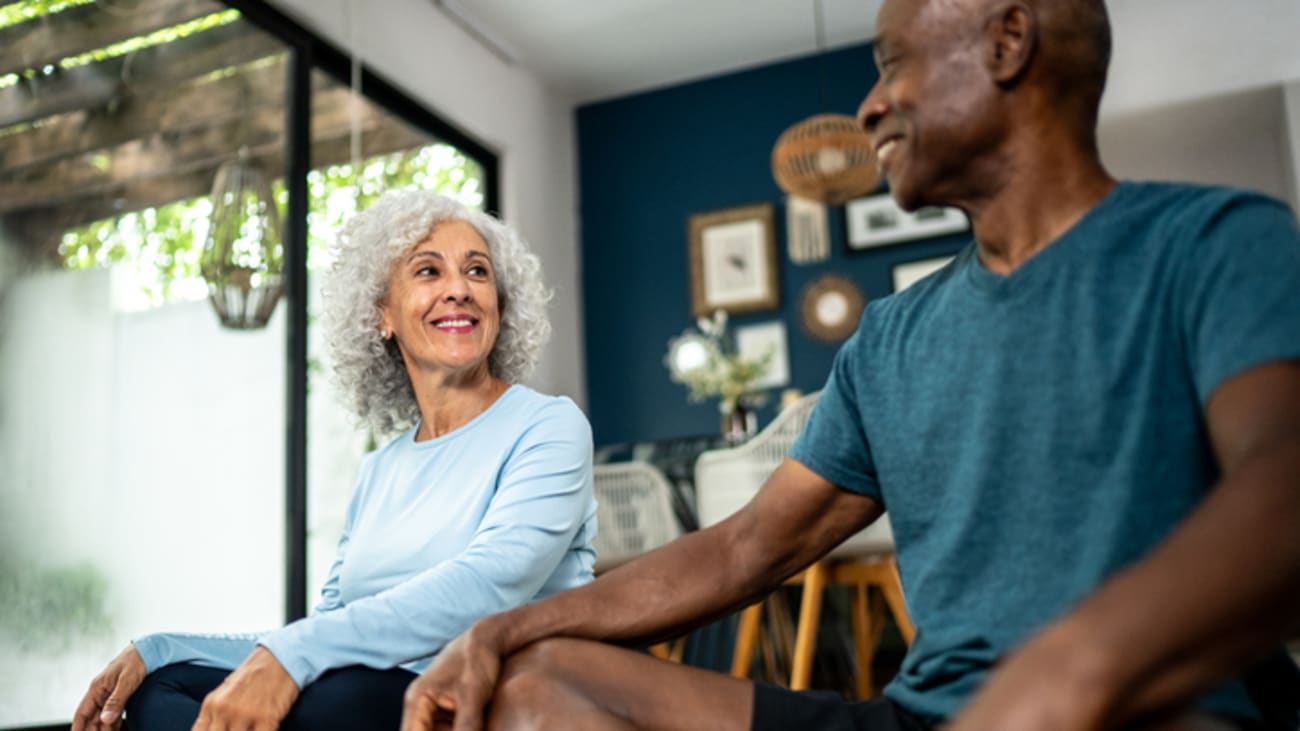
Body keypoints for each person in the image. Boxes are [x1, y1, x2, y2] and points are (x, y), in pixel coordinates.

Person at [399, 0, 1300, 729]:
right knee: (538, 687)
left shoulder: (1215, 245)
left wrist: (1069, 672)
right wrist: (502, 627)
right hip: (927, 716)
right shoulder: (893, 338)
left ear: (1008, 39)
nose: (870, 106)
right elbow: (744, 546)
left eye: (891, 62)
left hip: (1164, 706)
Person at [70, 190, 598, 731]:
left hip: (478, 697)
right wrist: (159, 648)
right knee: (165, 687)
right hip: (361, 701)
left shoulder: (548, 426)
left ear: (500, 306)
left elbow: (488, 586)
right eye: (428, 271)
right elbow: (327, 629)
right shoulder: (380, 471)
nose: (459, 290)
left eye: (477, 272)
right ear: (382, 317)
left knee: (338, 694)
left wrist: (296, 656)